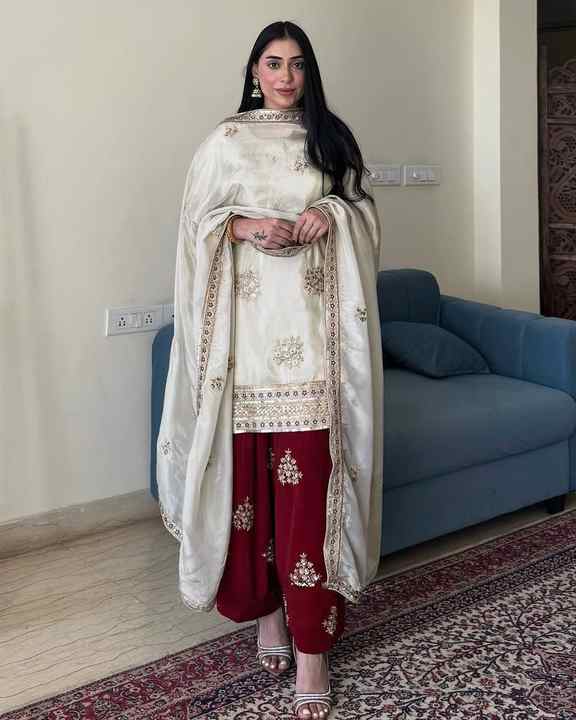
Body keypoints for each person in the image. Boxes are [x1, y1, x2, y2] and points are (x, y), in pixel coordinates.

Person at [156, 20, 384, 719]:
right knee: (249, 496)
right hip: (242, 352)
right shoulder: (224, 143)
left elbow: (366, 214)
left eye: (298, 64)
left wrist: (331, 214)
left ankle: (313, 649)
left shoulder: (330, 139)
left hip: (312, 346)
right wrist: (243, 226)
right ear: (254, 71)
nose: (286, 77)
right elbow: (193, 231)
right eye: (274, 63)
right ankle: (268, 617)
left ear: (309, 72)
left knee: (309, 497)